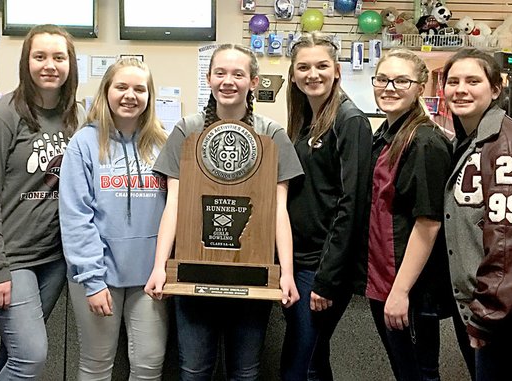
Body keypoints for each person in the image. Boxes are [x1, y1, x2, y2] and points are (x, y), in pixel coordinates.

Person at [144, 44, 302, 380]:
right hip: (193, 273)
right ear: (209, 79)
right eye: (220, 73)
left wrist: (285, 272)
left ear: (253, 82)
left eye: (238, 74)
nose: (228, 81)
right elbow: (173, 201)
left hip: (251, 275)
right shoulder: (187, 130)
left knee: (245, 373)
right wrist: (159, 267)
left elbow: (279, 209)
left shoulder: (271, 134)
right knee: (193, 371)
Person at [0, 24, 82, 380]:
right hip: (9, 258)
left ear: (70, 64)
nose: (50, 65)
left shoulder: (74, 118)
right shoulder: (4, 116)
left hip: (51, 259)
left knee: (14, 354)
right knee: (31, 357)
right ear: (26, 62)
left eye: (58, 57)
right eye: (40, 56)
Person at [442, 48, 512, 381]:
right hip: (490, 305)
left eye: (473, 81)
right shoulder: (473, 140)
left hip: (506, 311)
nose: (460, 89)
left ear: (495, 89)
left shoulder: (507, 147)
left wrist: (488, 314)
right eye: (453, 81)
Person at [59, 58, 169, 380]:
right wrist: (92, 279)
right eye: (121, 87)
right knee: (96, 365)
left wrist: (164, 268)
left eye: (140, 88)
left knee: (150, 365)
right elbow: (76, 215)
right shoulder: (84, 143)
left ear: (150, 96)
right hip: (97, 275)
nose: (130, 95)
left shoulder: (164, 144)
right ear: (106, 91)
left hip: (150, 277)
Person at [282, 32, 373, 381]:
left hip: (321, 267)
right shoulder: (304, 119)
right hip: (300, 260)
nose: (312, 74)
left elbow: (352, 202)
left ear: (336, 70)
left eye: (321, 66)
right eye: (303, 67)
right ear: (293, 74)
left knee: (299, 367)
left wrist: (327, 279)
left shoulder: (349, 121)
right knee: (312, 360)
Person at [366, 49, 455, 381]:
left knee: (418, 373)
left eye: (401, 80)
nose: (389, 87)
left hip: (410, 288)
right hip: (384, 280)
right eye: (382, 79)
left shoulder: (424, 142)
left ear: (420, 87)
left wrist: (400, 292)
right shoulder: (386, 136)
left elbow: (429, 224)